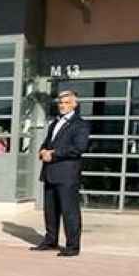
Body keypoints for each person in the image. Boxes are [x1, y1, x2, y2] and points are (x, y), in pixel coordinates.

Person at [32, 89, 91, 257]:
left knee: (69, 212)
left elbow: (79, 148)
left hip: (67, 175)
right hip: (50, 173)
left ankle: (72, 246)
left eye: (66, 103)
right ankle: (50, 240)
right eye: (60, 102)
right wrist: (42, 150)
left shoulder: (80, 124)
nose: (62, 106)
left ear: (74, 104)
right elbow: (47, 142)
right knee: (50, 211)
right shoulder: (54, 123)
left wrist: (54, 154)